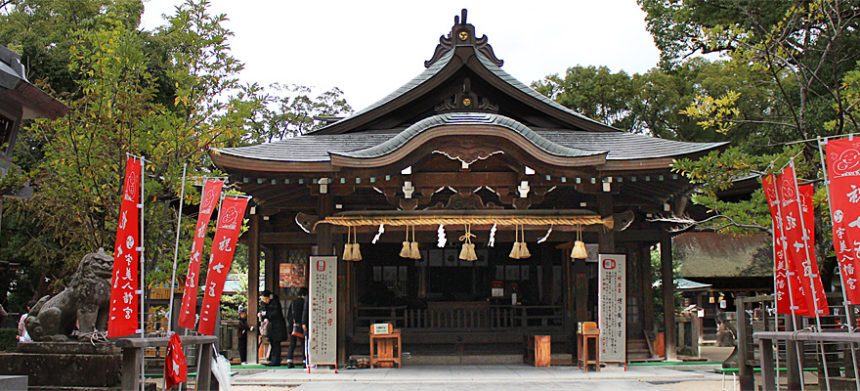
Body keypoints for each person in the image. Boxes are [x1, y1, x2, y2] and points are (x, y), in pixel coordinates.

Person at [259, 290, 287, 367]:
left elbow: (274, 314)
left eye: (265, 299)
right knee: (273, 343)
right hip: (271, 328)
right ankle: (273, 359)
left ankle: (275, 360)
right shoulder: (265, 304)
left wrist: (266, 314)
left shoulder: (275, 303)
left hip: (277, 327)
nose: (264, 301)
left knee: (276, 343)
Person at [285, 288, 307, 368]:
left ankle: (289, 360)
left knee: (292, 344)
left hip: (292, 326)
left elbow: (288, 315)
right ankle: (305, 361)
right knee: (304, 343)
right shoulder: (304, 302)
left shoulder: (293, 302)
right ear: (304, 295)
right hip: (301, 326)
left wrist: (291, 324)